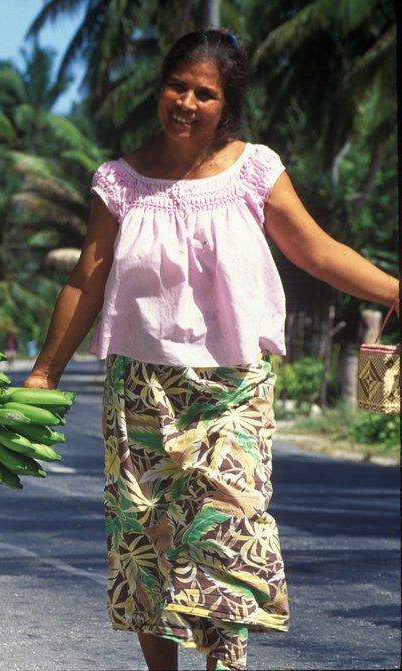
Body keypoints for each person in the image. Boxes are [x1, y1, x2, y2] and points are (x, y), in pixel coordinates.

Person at [23, 30, 399, 671]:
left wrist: (397, 289)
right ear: (159, 87)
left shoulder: (255, 169)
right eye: (179, 86)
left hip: (232, 386)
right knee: (146, 542)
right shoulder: (119, 182)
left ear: (226, 106)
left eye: (206, 94)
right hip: (140, 387)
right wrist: (42, 371)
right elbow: (87, 275)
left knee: (229, 534)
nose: (188, 103)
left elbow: (314, 248)